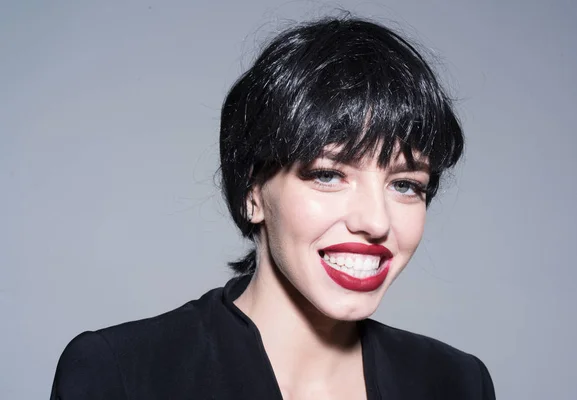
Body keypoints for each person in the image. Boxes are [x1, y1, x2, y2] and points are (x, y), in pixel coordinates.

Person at [50, 16, 495, 399]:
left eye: (404, 184)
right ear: (253, 192)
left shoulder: (456, 383)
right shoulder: (121, 374)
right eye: (328, 175)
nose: (375, 221)